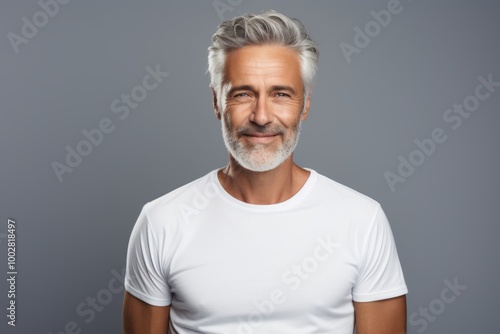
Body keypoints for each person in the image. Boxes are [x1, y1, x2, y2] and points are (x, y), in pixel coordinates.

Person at [123, 10, 408, 334]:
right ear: (217, 103)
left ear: (305, 105)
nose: (261, 116)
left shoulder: (362, 221)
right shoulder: (162, 221)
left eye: (280, 94)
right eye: (242, 93)